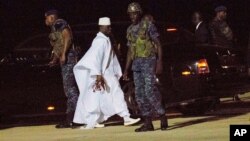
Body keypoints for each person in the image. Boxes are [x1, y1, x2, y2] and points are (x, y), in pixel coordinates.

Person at [73, 17, 140, 129]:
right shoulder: (99, 41)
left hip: (107, 74)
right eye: (107, 27)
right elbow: (95, 59)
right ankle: (126, 117)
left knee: (101, 97)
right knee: (114, 94)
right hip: (104, 74)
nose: (110, 28)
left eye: (110, 26)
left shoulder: (104, 39)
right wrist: (98, 75)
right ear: (101, 27)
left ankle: (99, 119)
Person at [123, 2, 168, 132]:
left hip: (149, 61)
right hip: (137, 64)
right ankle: (148, 122)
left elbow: (158, 44)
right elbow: (130, 51)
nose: (132, 16)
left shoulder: (148, 25)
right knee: (139, 94)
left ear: (139, 13)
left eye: (134, 13)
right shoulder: (130, 30)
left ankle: (162, 115)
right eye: (130, 14)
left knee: (150, 90)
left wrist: (159, 62)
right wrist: (126, 69)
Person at [45, 10, 79, 128]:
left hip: (69, 59)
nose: (45, 21)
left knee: (70, 90)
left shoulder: (59, 23)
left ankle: (75, 118)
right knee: (69, 90)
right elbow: (58, 45)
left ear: (52, 17)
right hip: (65, 59)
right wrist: (55, 59)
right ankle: (71, 118)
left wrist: (64, 54)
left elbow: (67, 37)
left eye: (47, 18)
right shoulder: (55, 28)